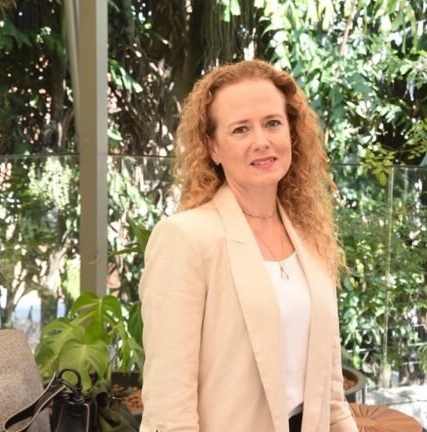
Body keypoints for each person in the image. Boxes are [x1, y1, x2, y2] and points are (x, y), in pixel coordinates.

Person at [138, 59, 357, 432]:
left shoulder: (310, 236)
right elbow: (169, 410)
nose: (262, 141)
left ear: (292, 133)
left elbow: (332, 394)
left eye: (272, 123)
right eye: (241, 129)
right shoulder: (185, 238)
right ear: (213, 147)